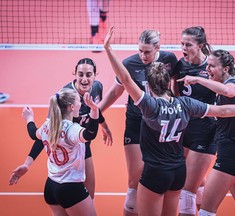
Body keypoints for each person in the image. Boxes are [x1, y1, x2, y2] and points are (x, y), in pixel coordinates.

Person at [104, 27, 235, 216]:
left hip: (165, 168)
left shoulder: (149, 107)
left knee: (198, 201)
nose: (183, 48)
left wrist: (108, 49)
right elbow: (223, 109)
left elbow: (125, 79)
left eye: (188, 44)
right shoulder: (187, 104)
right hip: (183, 167)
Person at [171, 11, 235, 216]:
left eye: (188, 44)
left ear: (200, 46)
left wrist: (198, 78)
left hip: (211, 135)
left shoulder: (220, 78)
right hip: (188, 130)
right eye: (182, 44)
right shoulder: (182, 65)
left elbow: (227, 94)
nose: (183, 48)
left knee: (187, 189)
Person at [177, 45, 235, 215]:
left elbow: (228, 92)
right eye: (207, 65)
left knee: (206, 212)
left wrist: (198, 79)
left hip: (230, 155)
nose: (207, 69)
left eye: (211, 66)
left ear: (225, 68)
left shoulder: (230, 85)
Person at [9, 58, 113, 201]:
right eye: (80, 74)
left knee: (90, 193)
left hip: (83, 142)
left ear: (95, 75)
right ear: (74, 74)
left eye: (88, 75)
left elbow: (95, 109)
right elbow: (47, 133)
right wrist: (28, 163)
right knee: (74, 194)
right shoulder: (65, 97)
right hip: (69, 147)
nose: (84, 79)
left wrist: (104, 126)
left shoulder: (97, 88)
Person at [98, 29, 178, 215]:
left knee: (167, 179)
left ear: (158, 47)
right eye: (140, 50)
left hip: (161, 125)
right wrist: (96, 113)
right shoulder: (129, 64)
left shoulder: (169, 60)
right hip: (136, 123)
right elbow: (114, 92)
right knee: (134, 181)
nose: (142, 55)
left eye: (147, 51)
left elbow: (177, 88)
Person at [16, 88, 98, 215]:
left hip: (51, 187)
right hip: (71, 188)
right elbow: (90, 134)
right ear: (71, 107)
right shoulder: (72, 129)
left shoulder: (48, 125)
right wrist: (94, 110)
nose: (81, 104)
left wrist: (29, 119)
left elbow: (33, 133)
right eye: (79, 101)